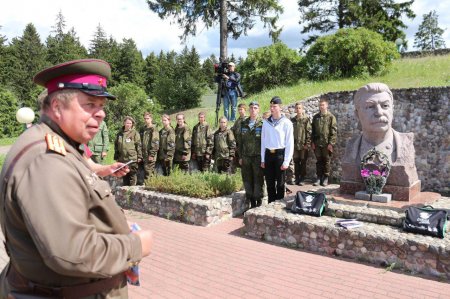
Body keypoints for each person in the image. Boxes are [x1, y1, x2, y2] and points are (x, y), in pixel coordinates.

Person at [0, 59, 153, 298]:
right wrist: (135, 246)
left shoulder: (60, 144)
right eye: (90, 104)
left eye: (102, 105)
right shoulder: (47, 159)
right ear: (58, 107)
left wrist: (100, 170)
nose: (101, 113)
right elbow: (71, 253)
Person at [342, 83, 418, 186]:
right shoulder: (352, 147)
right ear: (357, 114)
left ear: (392, 109)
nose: (379, 112)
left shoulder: (405, 144)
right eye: (370, 107)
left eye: (385, 106)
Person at [261, 96, 294, 203]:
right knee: (269, 182)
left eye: (274, 106)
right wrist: (262, 159)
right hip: (268, 154)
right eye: (271, 106)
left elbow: (290, 143)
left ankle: (279, 203)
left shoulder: (286, 123)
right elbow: (263, 141)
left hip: (280, 154)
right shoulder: (266, 122)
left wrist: (286, 161)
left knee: (280, 182)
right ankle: (271, 203)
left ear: (280, 107)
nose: (272, 108)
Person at [238, 101, 264, 208]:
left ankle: (258, 202)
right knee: (247, 179)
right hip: (246, 157)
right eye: (251, 108)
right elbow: (239, 142)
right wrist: (240, 156)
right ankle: (251, 201)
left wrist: (264, 158)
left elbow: (265, 142)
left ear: (258, 110)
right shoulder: (243, 124)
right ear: (249, 110)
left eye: (255, 108)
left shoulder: (262, 124)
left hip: (258, 157)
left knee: (258, 179)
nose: (253, 110)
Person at [311, 98, 337, 186]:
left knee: (326, 161)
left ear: (327, 106)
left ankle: (325, 178)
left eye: (323, 105)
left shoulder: (331, 117)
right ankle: (319, 178)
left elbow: (333, 131)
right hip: (317, 143)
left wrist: (331, 143)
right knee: (318, 161)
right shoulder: (316, 117)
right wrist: (313, 142)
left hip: (326, 144)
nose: (321, 107)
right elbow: (313, 130)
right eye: (320, 105)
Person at [114, 116, 143, 186]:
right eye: (127, 123)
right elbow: (116, 146)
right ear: (124, 123)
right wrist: (116, 157)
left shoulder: (135, 133)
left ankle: (132, 191)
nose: (129, 125)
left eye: (130, 123)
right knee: (124, 175)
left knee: (132, 175)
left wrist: (139, 156)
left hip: (132, 158)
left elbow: (138, 145)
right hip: (122, 158)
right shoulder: (119, 134)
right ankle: (125, 191)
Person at [291, 102, 312, 185]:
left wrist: (307, 143)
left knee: (303, 162)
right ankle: (297, 178)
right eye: (297, 108)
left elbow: (309, 132)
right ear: (295, 109)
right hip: (295, 145)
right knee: (296, 161)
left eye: (300, 108)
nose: (298, 109)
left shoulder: (306, 119)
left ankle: (302, 178)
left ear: (302, 109)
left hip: (303, 145)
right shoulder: (292, 120)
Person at [141, 112, 160, 181]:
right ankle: (148, 185)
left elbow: (155, 142)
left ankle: (149, 186)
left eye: (148, 118)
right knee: (146, 170)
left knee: (149, 171)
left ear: (151, 119)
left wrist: (152, 154)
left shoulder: (153, 128)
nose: (146, 120)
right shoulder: (144, 128)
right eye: (145, 118)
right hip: (144, 153)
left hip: (150, 154)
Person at [231, 103, 247, 171]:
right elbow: (233, 130)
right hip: (238, 144)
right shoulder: (237, 121)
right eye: (239, 110)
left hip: (245, 144)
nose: (240, 111)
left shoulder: (247, 120)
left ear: (245, 110)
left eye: (241, 109)